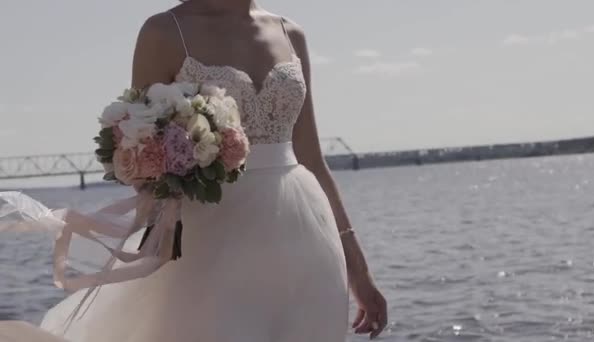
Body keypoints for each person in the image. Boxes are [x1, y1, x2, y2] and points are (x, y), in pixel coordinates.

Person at [3, 0, 387, 341]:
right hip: (210, 235)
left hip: (305, 235)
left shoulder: (291, 33)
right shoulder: (165, 31)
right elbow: (141, 144)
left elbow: (313, 158)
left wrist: (360, 272)